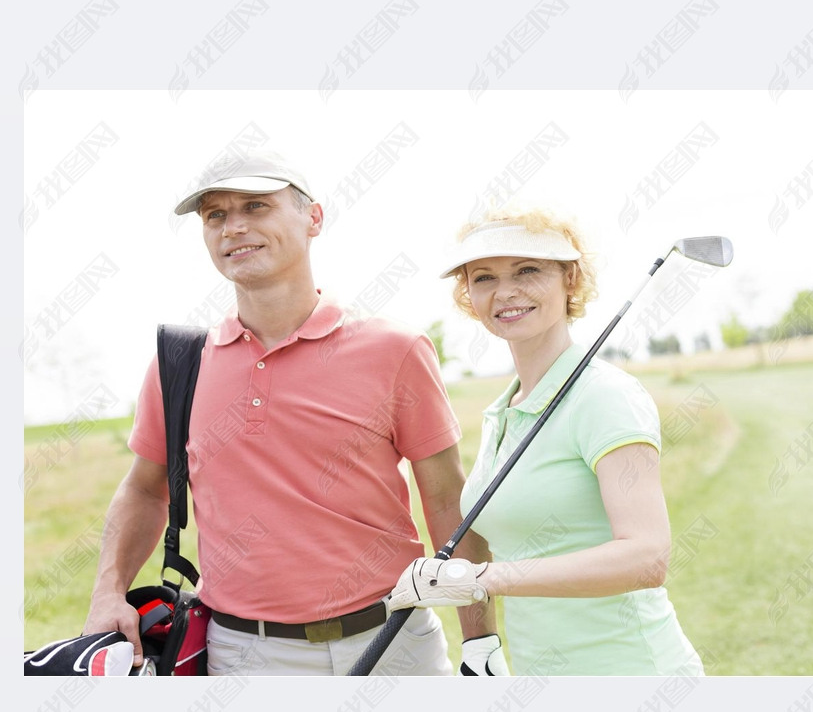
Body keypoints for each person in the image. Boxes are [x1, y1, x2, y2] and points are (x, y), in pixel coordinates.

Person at [82, 153, 508, 677]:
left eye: (256, 206)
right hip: (243, 655)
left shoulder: (395, 349)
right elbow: (145, 490)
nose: (233, 227)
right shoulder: (180, 361)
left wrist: (481, 641)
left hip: (392, 642)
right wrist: (107, 591)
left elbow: (446, 500)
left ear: (314, 219)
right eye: (214, 216)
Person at [385, 209, 706, 676]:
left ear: (569, 278)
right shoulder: (505, 410)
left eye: (527, 271)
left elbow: (646, 557)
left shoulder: (604, 396)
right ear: (468, 295)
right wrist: (482, 643)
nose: (505, 292)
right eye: (484, 277)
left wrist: (480, 580)